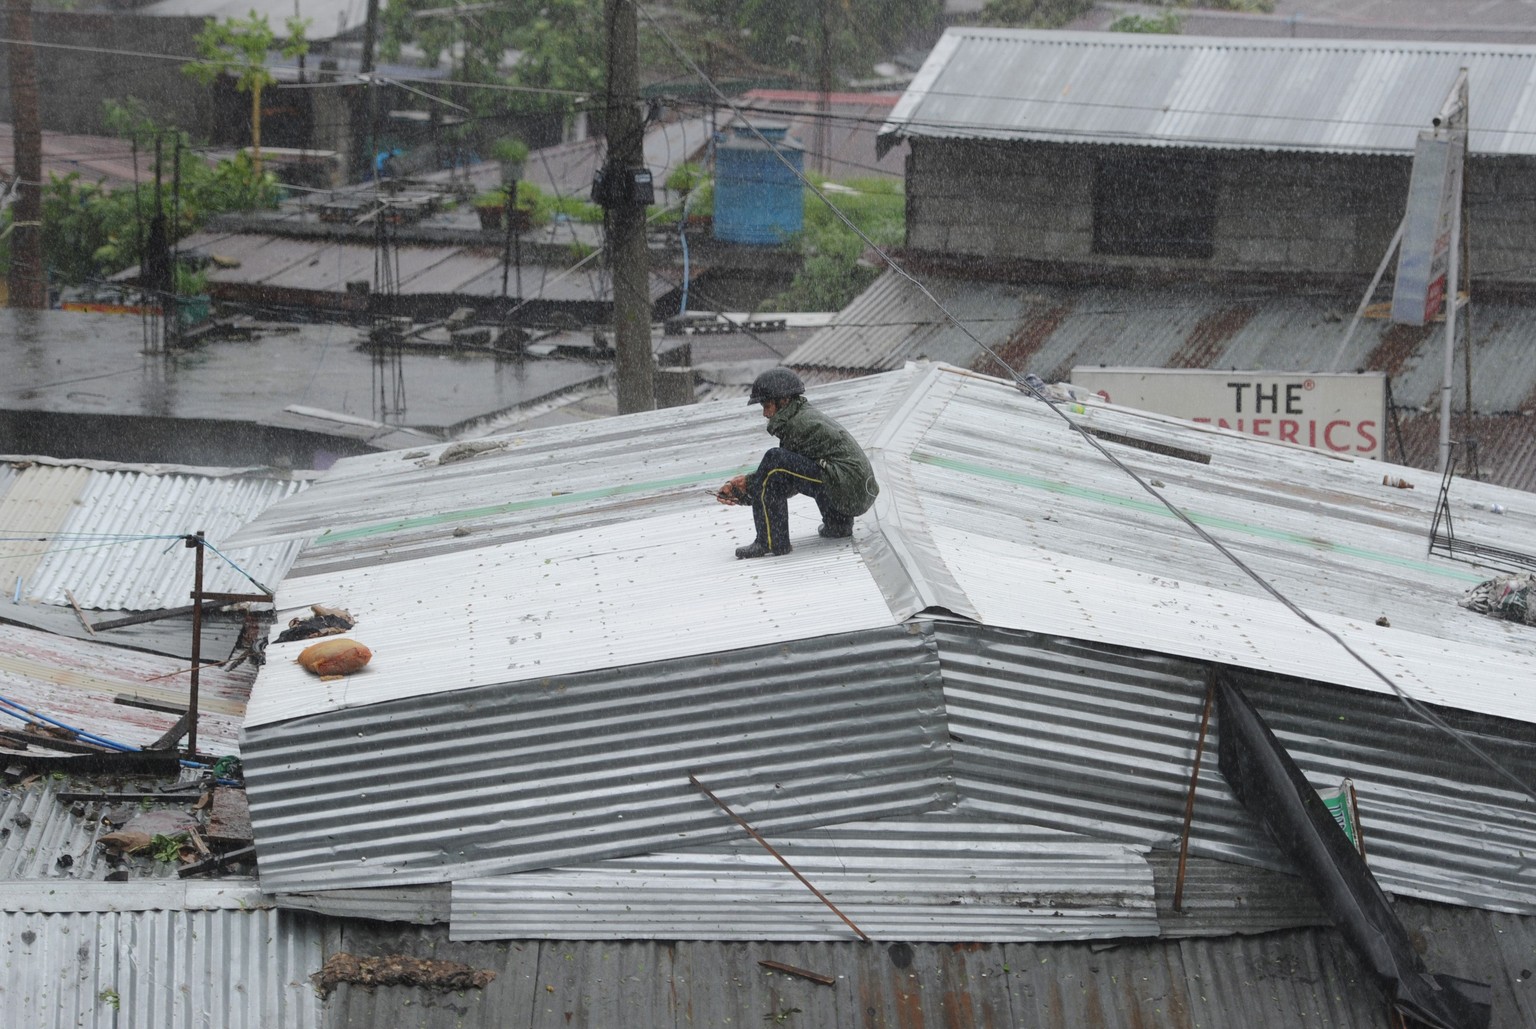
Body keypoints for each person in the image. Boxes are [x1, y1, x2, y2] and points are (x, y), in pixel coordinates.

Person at [717, 368, 879, 558]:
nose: (765, 414)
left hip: (847, 487)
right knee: (798, 467)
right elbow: (795, 476)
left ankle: (770, 541)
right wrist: (747, 489)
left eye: (767, 405)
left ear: (784, 400)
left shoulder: (797, 425)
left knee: (774, 458)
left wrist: (746, 487)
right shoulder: (802, 415)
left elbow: (779, 477)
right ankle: (838, 525)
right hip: (856, 491)